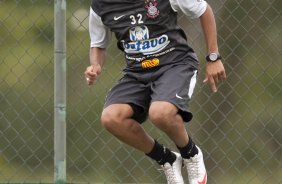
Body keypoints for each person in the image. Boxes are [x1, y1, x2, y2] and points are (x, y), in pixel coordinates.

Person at [84, 0, 226, 183]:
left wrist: (213, 57)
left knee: (160, 113)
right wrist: (95, 65)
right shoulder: (100, 5)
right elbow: (98, 43)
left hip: (175, 65)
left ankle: (191, 154)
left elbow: (204, 10)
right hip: (136, 72)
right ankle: (167, 159)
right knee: (111, 118)